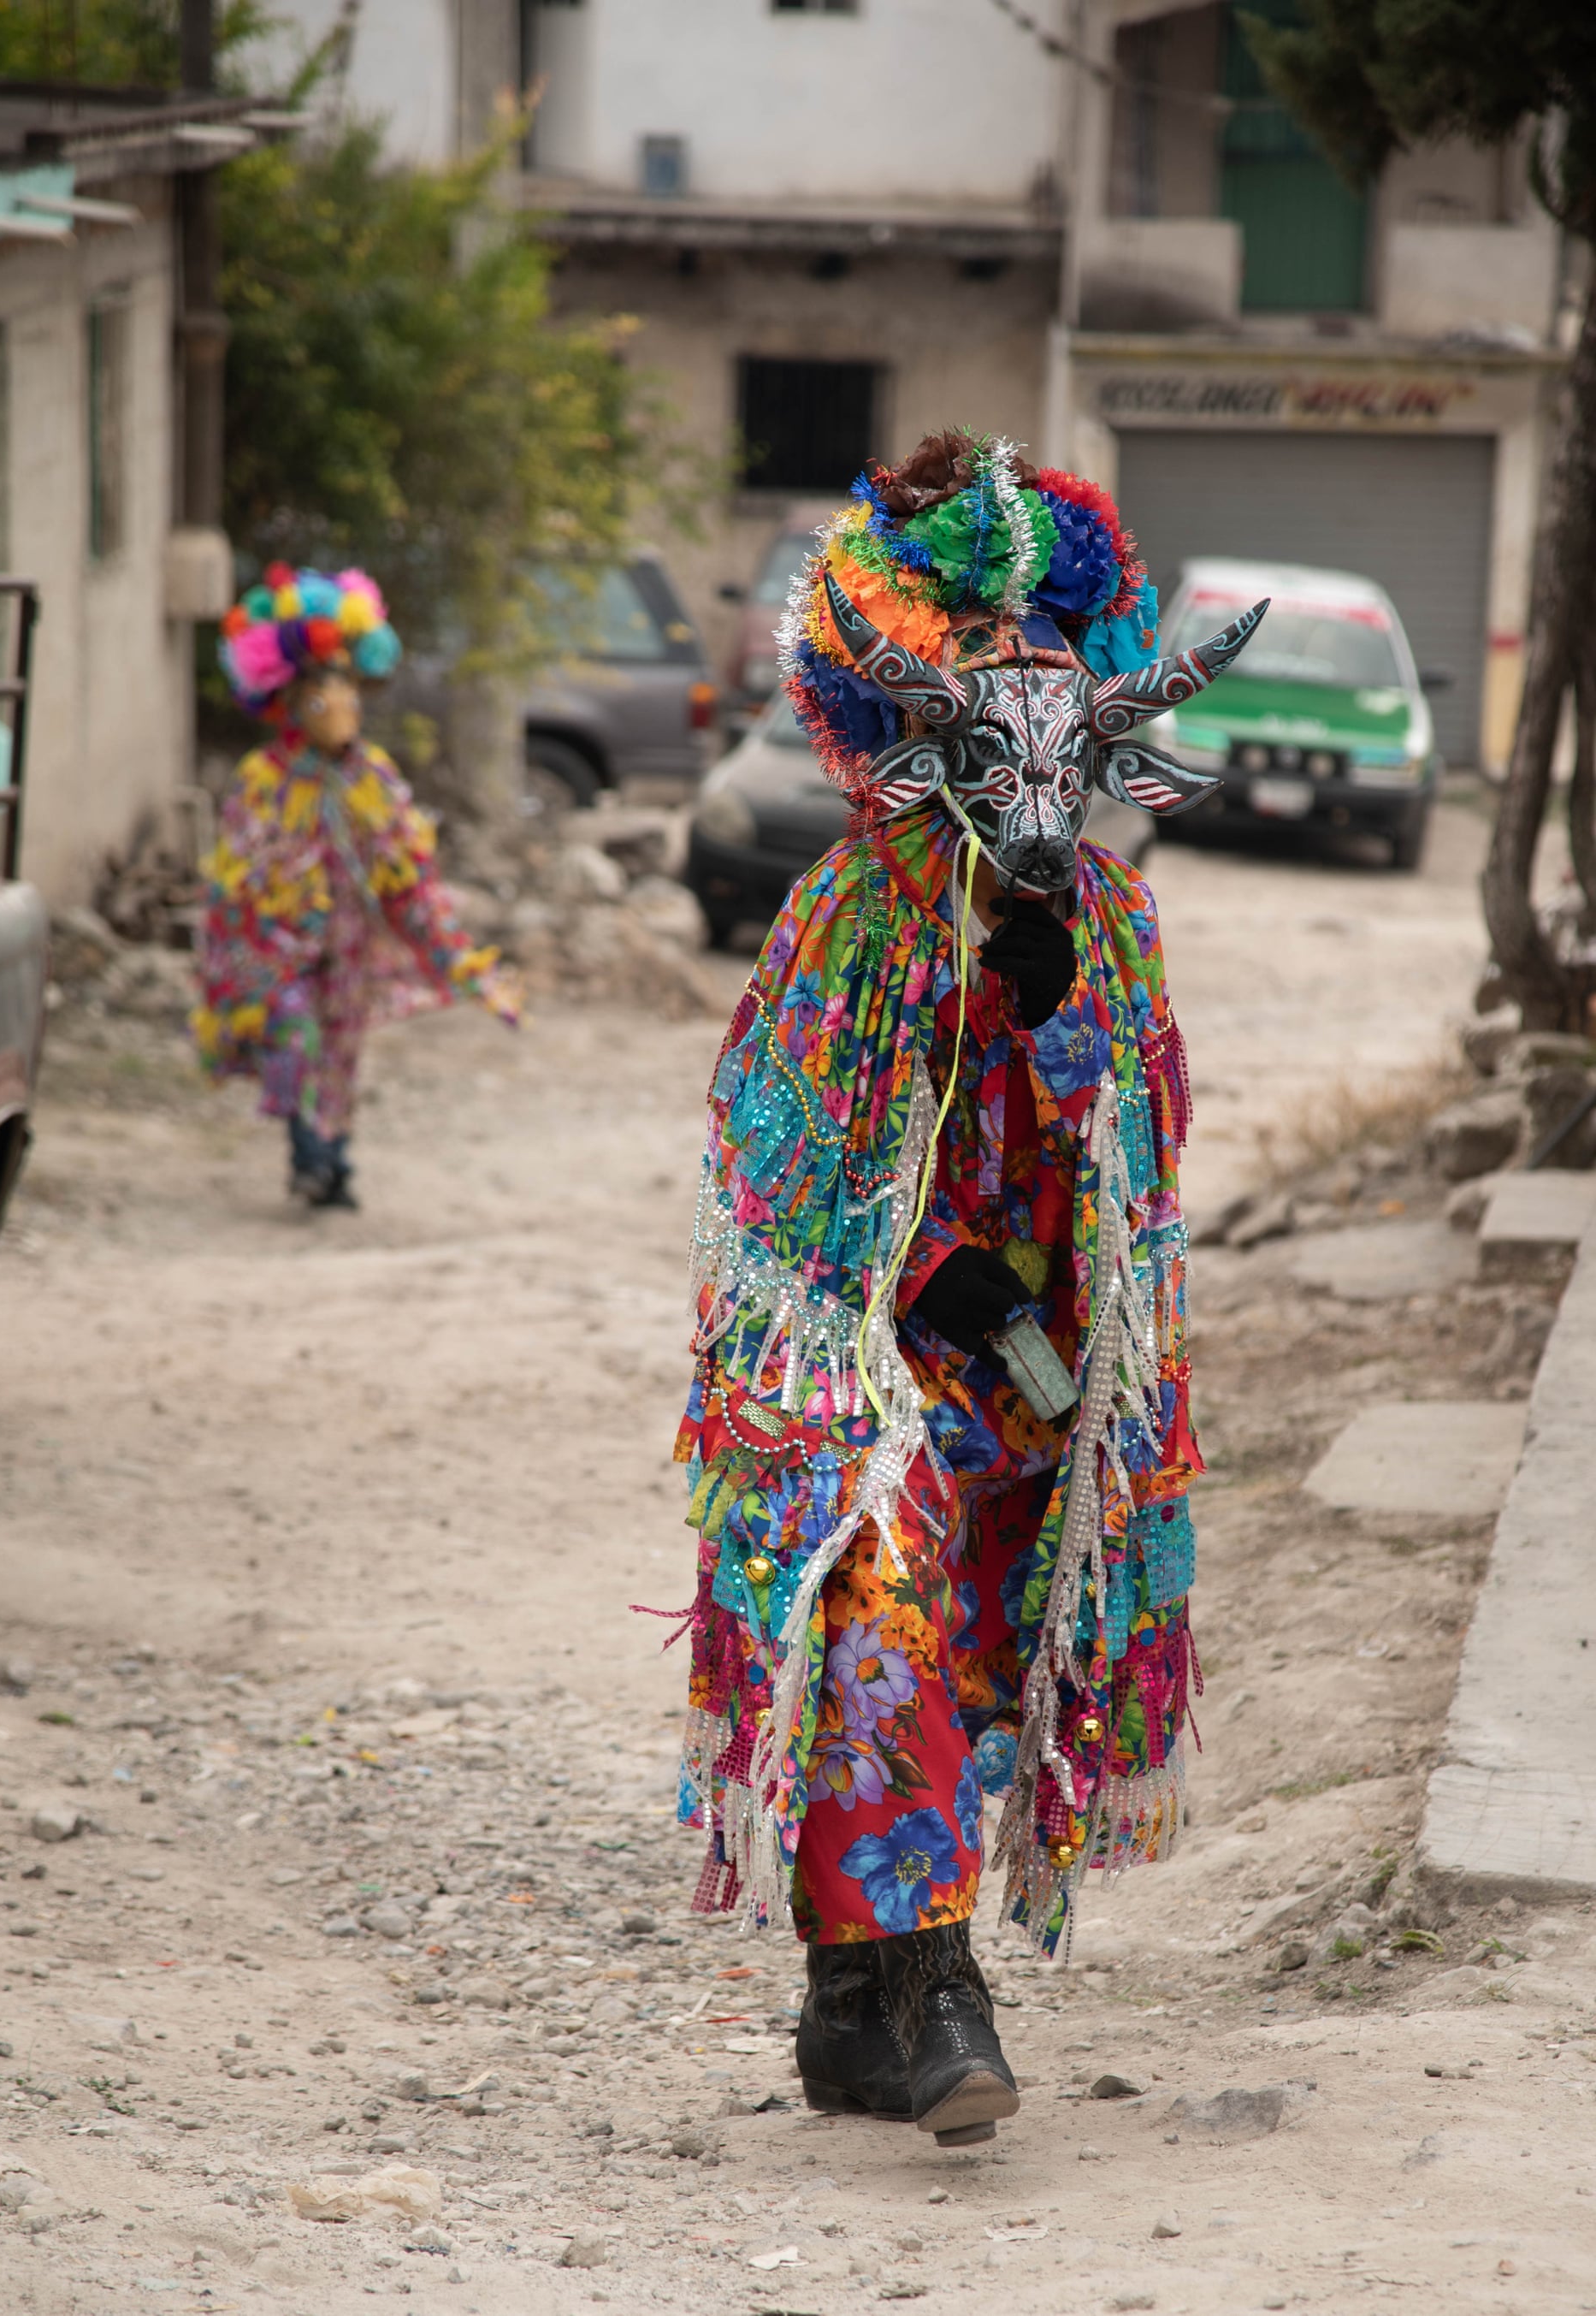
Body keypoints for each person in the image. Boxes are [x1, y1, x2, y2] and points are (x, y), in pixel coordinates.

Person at [669, 430, 1263, 2146]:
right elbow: (772, 1165)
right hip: (864, 1363)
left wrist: (1049, 1000)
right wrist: (925, 1279)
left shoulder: (1115, 924)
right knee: (876, 1605)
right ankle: (938, 1992)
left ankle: (849, 2012)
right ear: (923, 747)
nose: (1029, 803)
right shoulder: (846, 915)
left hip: (1038, 1364)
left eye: (1062, 752)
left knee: (979, 1666)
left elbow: (1144, 1141)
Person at [192, 565, 520, 1208]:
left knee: (340, 1051)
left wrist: (457, 959)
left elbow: (409, 874)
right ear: (287, 696)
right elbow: (235, 876)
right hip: (280, 948)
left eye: (345, 681)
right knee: (295, 1037)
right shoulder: (263, 779)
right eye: (321, 684)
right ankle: (310, 1157)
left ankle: (330, 1163)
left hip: (347, 945)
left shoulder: (372, 775)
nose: (336, 698)